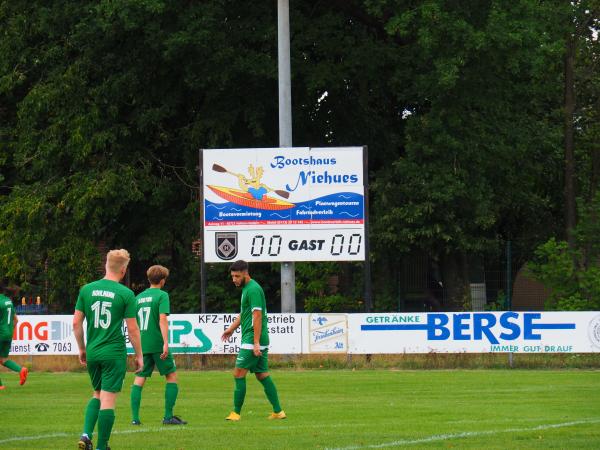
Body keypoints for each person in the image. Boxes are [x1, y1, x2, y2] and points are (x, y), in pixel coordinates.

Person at [73, 249, 143, 450]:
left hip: (93, 351)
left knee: (97, 393)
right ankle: (102, 446)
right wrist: (140, 356)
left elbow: (76, 323)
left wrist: (82, 349)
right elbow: (132, 329)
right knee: (108, 400)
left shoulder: (87, 290)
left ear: (106, 265)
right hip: (113, 353)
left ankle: (86, 435)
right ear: (123, 270)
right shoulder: (126, 294)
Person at [221, 260, 285, 421]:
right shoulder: (247, 289)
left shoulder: (253, 289)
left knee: (238, 373)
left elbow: (257, 315)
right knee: (262, 374)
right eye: (232, 276)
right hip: (255, 338)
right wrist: (232, 328)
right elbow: (245, 313)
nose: (234, 279)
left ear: (245, 273)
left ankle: (236, 413)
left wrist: (256, 342)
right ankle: (278, 411)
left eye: (237, 276)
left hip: (252, 339)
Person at [130, 265, 186, 426]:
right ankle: (168, 417)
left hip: (143, 344)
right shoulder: (162, 295)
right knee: (171, 376)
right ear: (162, 280)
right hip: (157, 343)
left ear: (148, 279)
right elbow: (162, 319)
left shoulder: (138, 298)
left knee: (139, 379)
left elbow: (134, 323)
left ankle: (135, 419)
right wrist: (166, 343)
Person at [0, 287, 28, 389]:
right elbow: (16, 320)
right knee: (3, 359)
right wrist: (9, 331)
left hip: (1, 333)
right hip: (8, 334)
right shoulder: (8, 301)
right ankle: (21, 370)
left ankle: (0, 386)